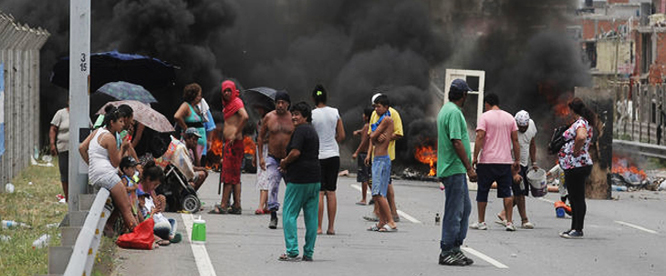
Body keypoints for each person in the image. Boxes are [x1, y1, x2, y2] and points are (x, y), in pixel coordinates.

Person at [436, 79, 477, 266]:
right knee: (455, 210)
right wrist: (469, 168)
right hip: (454, 168)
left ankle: (455, 247)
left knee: (464, 208)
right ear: (463, 95)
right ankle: (446, 250)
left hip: (454, 168)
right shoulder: (453, 112)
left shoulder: (447, 109)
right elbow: (456, 141)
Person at [79, 105, 138, 232]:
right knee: (126, 207)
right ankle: (138, 234)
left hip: (96, 176)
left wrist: (92, 165)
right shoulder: (109, 138)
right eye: (120, 122)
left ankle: (111, 226)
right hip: (107, 175)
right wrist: (123, 147)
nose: (122, 125)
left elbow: (82, 148)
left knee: (121, 203)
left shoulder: (97, 132)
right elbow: (116, 162)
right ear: (112, 122)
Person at [277, 102, 321, 262]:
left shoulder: (301, 131)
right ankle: (308, 252)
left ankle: (292, 250)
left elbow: (295, 152)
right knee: (311, 217)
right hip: (314, 178)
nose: (294, 117)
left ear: (306, 117)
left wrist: (284, 162)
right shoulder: (312, 131)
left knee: (289, 213)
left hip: (299, 179)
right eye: (293, 114)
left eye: (297, 114)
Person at [470, 93, 520, 231]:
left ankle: (481, 222)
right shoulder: (510, 118)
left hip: (487, 161)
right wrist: (517, 160)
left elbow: (480, 136)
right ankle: (509, 222)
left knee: (483, 191)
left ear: (487, 104)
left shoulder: (484, 117)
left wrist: (475, 156)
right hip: (505, 161)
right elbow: (515, 140)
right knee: (506, 192)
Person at [209, 80, 248, 215]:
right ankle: (237, 205)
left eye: (229, 90)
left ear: (233, 90)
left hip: (234, 144)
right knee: (235, 176)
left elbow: (245, 116)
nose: (226, 93)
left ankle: (224, 205)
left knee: (228, 176)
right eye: (225, 90)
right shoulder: (229, 104)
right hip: (231, 144)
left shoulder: (236, 103)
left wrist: (235, 134)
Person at [256, 90, 294, 228]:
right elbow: (260, 137)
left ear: (288, 104)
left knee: (292, 187)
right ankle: (273, 215)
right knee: (272, 185)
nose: (280, 105)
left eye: (283, 103)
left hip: (289, 160)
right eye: (278, 102)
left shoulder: (293, 118)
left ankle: (290, 214)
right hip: (272, 158)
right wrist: (261, 157)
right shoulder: (269, 117)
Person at [558, 98, 595, 239]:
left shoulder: (580, 123)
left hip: (577, 165)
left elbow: (581, 136)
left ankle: (578, 229)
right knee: (574, 198)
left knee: (577, 198)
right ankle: (574, 227)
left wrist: (575, 151)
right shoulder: (585, 122)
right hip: (576, 164)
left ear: (572, 110)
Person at [311, 84, 345, 235]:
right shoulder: (335, 113)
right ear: (326, 97)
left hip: (318, 156)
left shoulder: (312, 115)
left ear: (313, 98)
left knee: (319, 193)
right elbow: (342, 136)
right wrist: (333, 140)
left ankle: (318, 227)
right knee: (331, 192)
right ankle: (331, 227)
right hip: (333, 156)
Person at [364, 92, 403, 223]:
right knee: (381, 187)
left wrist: (386, 137)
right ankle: (385, 216)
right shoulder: (375, 115)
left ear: (385, 106)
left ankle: (389, 216)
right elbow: (371, 135)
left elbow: (398, 133)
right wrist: (369, 154)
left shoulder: (391, 116)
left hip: (386, 155)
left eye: (378, 106)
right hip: (376, 156)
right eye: (375, 106)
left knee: (383, 187)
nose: (376, 109)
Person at [496, 110, 536, 229]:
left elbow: (532, 144)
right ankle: (524, 220)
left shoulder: (532, 125)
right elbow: (506, 150)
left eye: (525, 127)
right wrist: (514, 173)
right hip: (511, 163)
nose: (523, 129)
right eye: (521, 127)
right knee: (519, 192)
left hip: (524, 163)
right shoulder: (510, 129)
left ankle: (503, 213)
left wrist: (534, 162)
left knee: (520, 190)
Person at [174, 83, 207, 166]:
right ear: (193, 95)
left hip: (199, 142)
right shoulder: (186, 106)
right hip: (191, 141)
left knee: (197, 164)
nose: (200, 97)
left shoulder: (196, 107)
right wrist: (186, 129)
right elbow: (177, 116)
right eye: (199, 95)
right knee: (190, 165)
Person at [352, 106, 374, 205]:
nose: (362, 115)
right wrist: (359, 132)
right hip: (370, 154)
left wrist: (356, 152)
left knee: (364, 177)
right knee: (369, 176)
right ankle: (375, 196)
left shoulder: (366, 126)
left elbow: (364, 142)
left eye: (364, 114)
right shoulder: (372, 125)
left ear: (366, 116)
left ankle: (364, 199)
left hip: (364, 154)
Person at [253, 106, 271, 215]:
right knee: (263, 176)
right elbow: (256, 139)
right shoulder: (259, 122)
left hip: (268, 150)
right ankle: (267, 204)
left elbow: (273, 136)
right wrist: (255, 156)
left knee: (264, 177)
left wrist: (263, 140)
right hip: (260, 149)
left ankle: (261, 205)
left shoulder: (270, 120)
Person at [49, 103, 69, 203]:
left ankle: (75, 196)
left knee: (77, 174)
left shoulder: (81, 113)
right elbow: (53, 128)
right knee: (64, 173)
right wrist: (52, 144)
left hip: (77, 150)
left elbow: (89, 127)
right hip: (63, 148)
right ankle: (68, 197)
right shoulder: (61, 113)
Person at [119, 156, 140, 220]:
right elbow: (123, 189)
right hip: (129, 202)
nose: (134, 170)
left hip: (134, 201)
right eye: (132, 168)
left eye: (135, 168)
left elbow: (138, 182)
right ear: (125, 169)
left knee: (136, 217)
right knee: (132, 218)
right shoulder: (125, 179)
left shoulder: (133, 177)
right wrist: (133, 188)